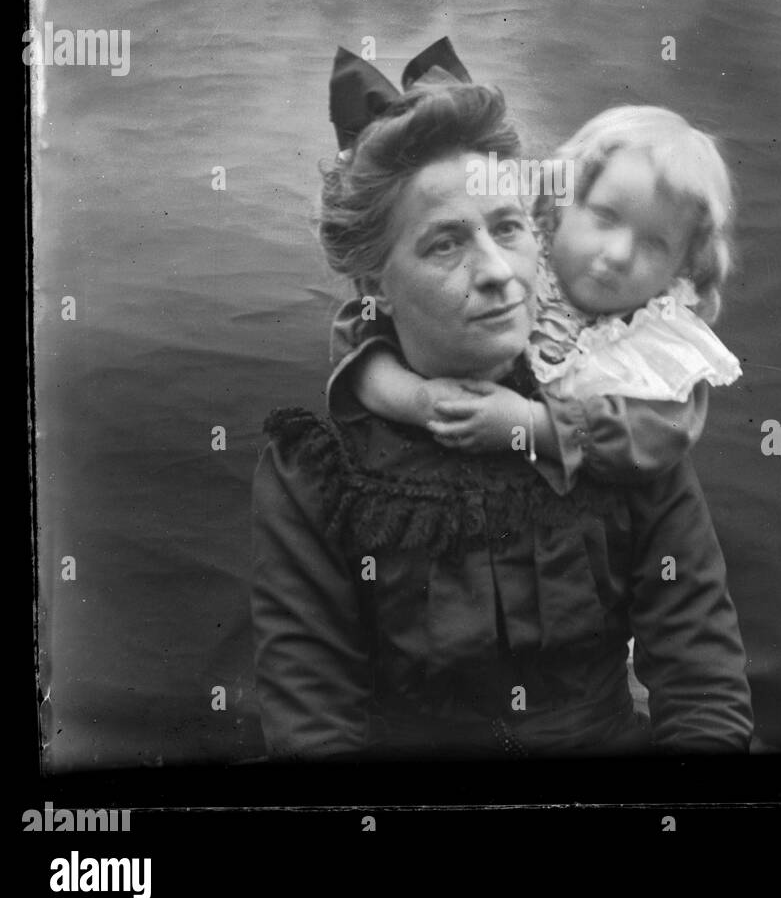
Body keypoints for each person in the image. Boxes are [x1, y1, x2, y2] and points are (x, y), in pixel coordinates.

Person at [251, 55, 753, 759]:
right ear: (376, 283)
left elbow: (704, 688)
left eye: (508, 228)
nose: (497, 272)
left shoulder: (614, 418)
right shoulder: (318, 474)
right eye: (446, 243)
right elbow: (312, 726)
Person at [331, 100, 743, 496]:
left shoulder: (654, 347)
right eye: (604, 217)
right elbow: (362, 331)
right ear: (560, 206)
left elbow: (655, 438)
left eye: (655, 245)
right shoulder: (521, 255)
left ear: (681, 268)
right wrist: (414, 401)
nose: (618, 256)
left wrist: (530, 424)